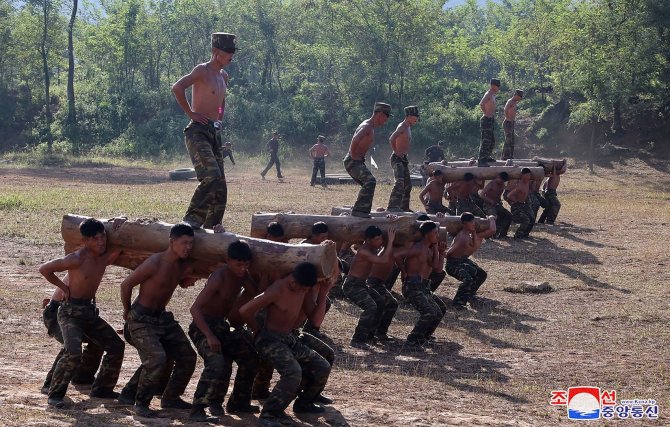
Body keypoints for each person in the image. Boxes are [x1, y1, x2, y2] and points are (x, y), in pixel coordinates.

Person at [39, 218, 126, 408]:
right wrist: (63, 286)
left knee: (116, 345)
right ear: (85, 241)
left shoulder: (105, 256)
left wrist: (121, 220)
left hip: (89, 312)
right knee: (73, 351)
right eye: (95, 239)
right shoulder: (76, 258)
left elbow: (125, 240)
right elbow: (45, 269)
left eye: (103, 237)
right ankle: (55, 394)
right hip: (70, 312)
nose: (101, 242)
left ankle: (102, 388)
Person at [119, 223, 198, 417]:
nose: (188, 247)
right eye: (184, 243)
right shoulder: (155, 262)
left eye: (191, 243)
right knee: (157, 358)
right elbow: (126, 284)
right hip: (141, 318)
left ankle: (170, 397)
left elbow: (172, 282)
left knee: (187, 356)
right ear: (172, 242)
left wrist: (187, 280)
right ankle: (141, 402)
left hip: (161, 318)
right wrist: (128, 312)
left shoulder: (181, 265)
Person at [239, 263, 332, 424]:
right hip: (269, 340)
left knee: (322, 366)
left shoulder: (303, 287)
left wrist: (323, 293)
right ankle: (270, 413)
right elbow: (245, 311)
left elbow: (315, 321)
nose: (305, 292)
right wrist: (258, 331)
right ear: (293, 283)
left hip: (289, 338)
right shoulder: (277, 289)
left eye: (307, 289)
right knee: (293, 371)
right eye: (303, 289)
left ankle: (303, 404)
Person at [188, 240, 260, 422]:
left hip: (221, 325)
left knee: (250, 357)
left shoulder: (242, 275)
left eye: (246, 264)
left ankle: (239, 402)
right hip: (202, 326)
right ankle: (198, 408)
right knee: (216, 361)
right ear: (228, 261)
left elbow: (255, 292)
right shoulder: (219, 277)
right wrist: (209, 336)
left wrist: (246, 275)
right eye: (238, 264)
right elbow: (195, 309)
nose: (242, 268)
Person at [172, 32, 237, 230]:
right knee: (211, 175)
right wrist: (191, 113)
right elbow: (177, 87)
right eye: (227, 52)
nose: (230, 56)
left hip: (213, 131)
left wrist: (219, 117)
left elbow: (221, 100)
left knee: (220, 184)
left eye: (232, 53)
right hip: (197, 131)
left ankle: (213, 226)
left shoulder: (224, 76)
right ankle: (191, 221)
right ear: (215, 51)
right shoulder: (202, 70)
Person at [40, 275, 104, 395]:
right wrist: (64, 289)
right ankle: (50, 384)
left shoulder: (98, 261)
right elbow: (45, 269)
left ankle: (83, 378)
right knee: (71, 347)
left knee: (99, 340)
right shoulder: (82, 260)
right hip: (58, 313)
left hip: (80, 313)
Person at [393, 221, 447, 350]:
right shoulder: (417, 247)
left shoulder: (428, 249)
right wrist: (404, 271)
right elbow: (397, 255)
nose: (437, 235)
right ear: (427, 234)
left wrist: (439, 251)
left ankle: (423, 337)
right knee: (429, 313)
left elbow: (437, 269)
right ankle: (411, 342)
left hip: (423, 287)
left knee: (440, 310)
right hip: (412, 286)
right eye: (435, 233)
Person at [342, 226, 397, 348]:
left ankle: (370, 336)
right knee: (370, 307)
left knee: (380, 302)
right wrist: (391, 241)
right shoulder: (364, 251)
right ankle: (357, 340)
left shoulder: (372, 248)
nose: (380, 242)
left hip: (362, 284)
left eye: (381, 239)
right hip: (352, 285)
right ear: (368, 240)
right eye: (377, 239)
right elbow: (382, 260)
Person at [343, 102, 392, 218]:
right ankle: (359, 211)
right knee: (370, 181)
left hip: (356, 160)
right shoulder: (367, 127)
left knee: (368, 183)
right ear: (380, 114)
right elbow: (355, 139)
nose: (386, 121)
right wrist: (354, 155)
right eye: (386, 117)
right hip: (353, 161)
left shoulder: (369, 125)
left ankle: (361, 208)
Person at [446, 213, 496, 309]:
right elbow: (449, 253)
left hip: (463, 260)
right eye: (471, 222)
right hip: (453, 264)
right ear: (464, 224)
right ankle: (457, 303)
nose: (473, 224)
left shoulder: (468, 233)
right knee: (467, 279)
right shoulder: (462, 237)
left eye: (473, 221)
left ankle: (469, 295)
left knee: (481, 274)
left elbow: (474, 245)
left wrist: (473, 232)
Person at [387, 106, 420, 212]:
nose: (417, 119)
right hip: (397, 158)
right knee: (400, 182)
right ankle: (392, 206)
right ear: (409, 116)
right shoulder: (402, 126)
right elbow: (391, 138)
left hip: (403, 158)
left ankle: (404, 207)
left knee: (408, 185)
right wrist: (397, 152)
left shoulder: (408, 127)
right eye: (415, 117)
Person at [479, 171, 513, 238]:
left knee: (509, 216)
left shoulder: (502, 184)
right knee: (493, 217)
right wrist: (490, 200)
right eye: (501, 180)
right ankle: (489, 234)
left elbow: (507, 188)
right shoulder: (491, 184)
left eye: (503, 181)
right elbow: (482, 195)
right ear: (498, 177)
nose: (501, 182)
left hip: (497, 205)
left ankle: (503, 234)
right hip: (488, 205)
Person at [505, 167, 534, 239]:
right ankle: (517, 236)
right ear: (522, 176)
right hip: (516, 207)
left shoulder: (527, 183)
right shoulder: (519, 185)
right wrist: (514, 201)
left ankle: (525, 235)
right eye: (527, 175)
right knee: (526, 220)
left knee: (532, 219)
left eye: (529, 175)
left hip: (523, 205)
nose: (528, 177)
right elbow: (509, 195)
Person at [478, 78, 501, 165]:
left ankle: (487, 157)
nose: (498, 88)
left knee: (491, 140)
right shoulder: (488, 94)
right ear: (492, 85)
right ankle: (482, 160)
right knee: (486, 140)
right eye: (497, 86)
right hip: (486, 119)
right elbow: (481, 104)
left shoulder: (493, 95)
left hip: (490, 119)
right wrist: (486, 114)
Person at [502, 89, 523, 160]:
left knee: (511, 140)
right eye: (520, 97)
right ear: (516, 95)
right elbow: (505, 109)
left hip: (511, 123)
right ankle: (505, 156)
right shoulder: (510, 101)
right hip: (508, 123)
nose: (520, 99)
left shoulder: (514, 102)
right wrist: (508, 118)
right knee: (508, 140)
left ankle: (510, 155)